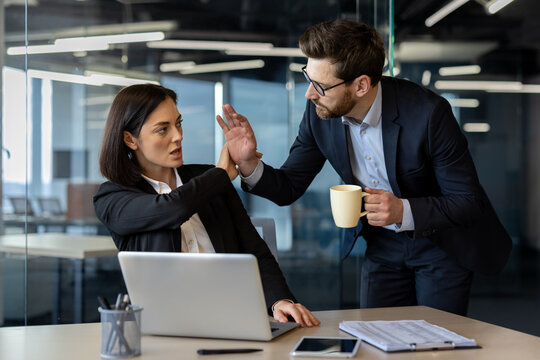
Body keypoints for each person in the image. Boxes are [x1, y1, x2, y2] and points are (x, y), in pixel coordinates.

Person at [217, 19, 512, 316]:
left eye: (319, 85)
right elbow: (289, 185)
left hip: (441, 244)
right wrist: (249, 162)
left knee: (435, 344)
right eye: (308, 77)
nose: (309, 93)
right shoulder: (320, 111)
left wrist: (402, 211)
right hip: (381, 245)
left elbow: (467, 201)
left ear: (361, 85)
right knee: (373, 338)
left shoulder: (428, 114)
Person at [93, 83, 320, 327]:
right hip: (167, 328)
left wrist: (279, 301)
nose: (178, 136)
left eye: (178, 123)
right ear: (130, 139)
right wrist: (221, 174)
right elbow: (171, 209)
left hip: (237, 318)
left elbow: (255, 250)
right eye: (162, 130)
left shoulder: (210, 179)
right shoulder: (112, 197)